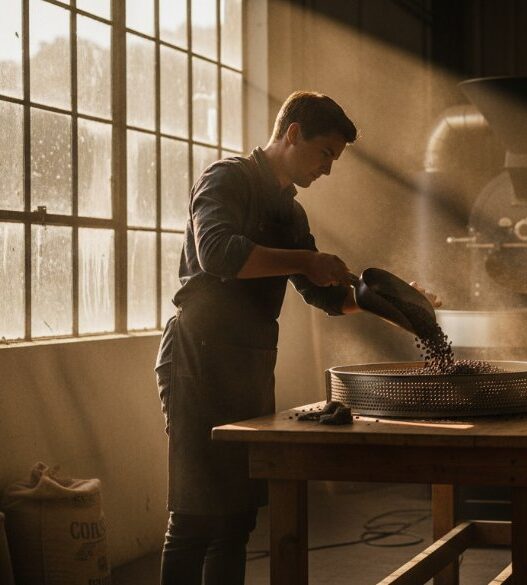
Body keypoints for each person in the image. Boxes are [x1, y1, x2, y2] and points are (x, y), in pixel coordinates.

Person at [154, 90, 438, 584]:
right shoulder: (227, 179)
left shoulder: (291, 214)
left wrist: (396, 305)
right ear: (292, 134)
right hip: (198, 358)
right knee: (195, 518)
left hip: (249, 362)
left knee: (237, 519)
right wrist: (306, 260)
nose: (327, 168)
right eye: (325, 153)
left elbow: (325, 295)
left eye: (334, 159)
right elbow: (218, 253)